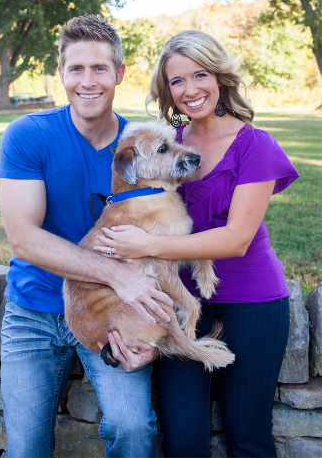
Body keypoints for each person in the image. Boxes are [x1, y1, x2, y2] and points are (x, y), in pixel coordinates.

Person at [95, 30, 299, 457]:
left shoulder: (255, 145)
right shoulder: (169, 144)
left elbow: (237, 239)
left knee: (248, 437)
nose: (189, 90)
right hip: (178, 301)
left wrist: (144, 245)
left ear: (219, 77)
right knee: (184, 440)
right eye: (177, 81)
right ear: (166, 90)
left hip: (254, 302)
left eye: (199, 74)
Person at [0, 14, 176, 458]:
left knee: (134, 431)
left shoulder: (143, 146)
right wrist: (118, 274)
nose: (87, 81)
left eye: (99, 68)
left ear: (119, 73)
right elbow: (24, 240)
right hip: (33, 311)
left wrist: (153, 335)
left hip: (115, 314)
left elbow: (165, 242)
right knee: (25, 449)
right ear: (61, 73)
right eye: (76, 69)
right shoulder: (28, 135)